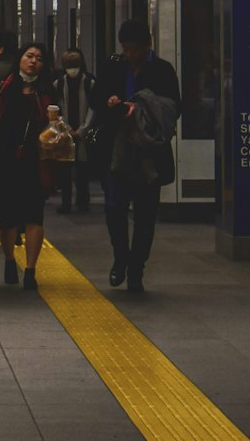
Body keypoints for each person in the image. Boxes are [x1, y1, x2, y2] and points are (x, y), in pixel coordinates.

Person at [90, 19, 181, 294]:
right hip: (116, 150)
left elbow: (172, 108)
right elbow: (95, 99)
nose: (130, 55)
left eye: (135, 49)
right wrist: (110, 103)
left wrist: (141, 108)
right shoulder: (113, 66)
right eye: (126, 49)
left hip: (148, 153)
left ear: (148, 46)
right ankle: (121, 256)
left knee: (145, 214)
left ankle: (137, 267)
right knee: (114, 208)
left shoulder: (162, 70)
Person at [0, 42, 54, 291]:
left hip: (35, 161)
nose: (33, 61)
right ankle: (10, 259)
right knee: (8, 216)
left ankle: (31, 270)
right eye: (29, 56)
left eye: (39, 58)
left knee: (35, 214)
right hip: (5, 160)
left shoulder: (46, 91)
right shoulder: (5, 87)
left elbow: (56, 123)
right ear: (20, 59)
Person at [51, 47, 96, 215]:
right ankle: (67, 201)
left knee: (83, 168)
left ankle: (82, 200)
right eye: (69, 64)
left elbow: (94, 108)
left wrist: (83, 130)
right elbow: (56, 111)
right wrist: (67, 129)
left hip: (84, 132)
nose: (72, 68)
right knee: (65, 168)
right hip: (65, 133)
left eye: (75, 64)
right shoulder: (58, 84)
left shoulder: (89, 83)